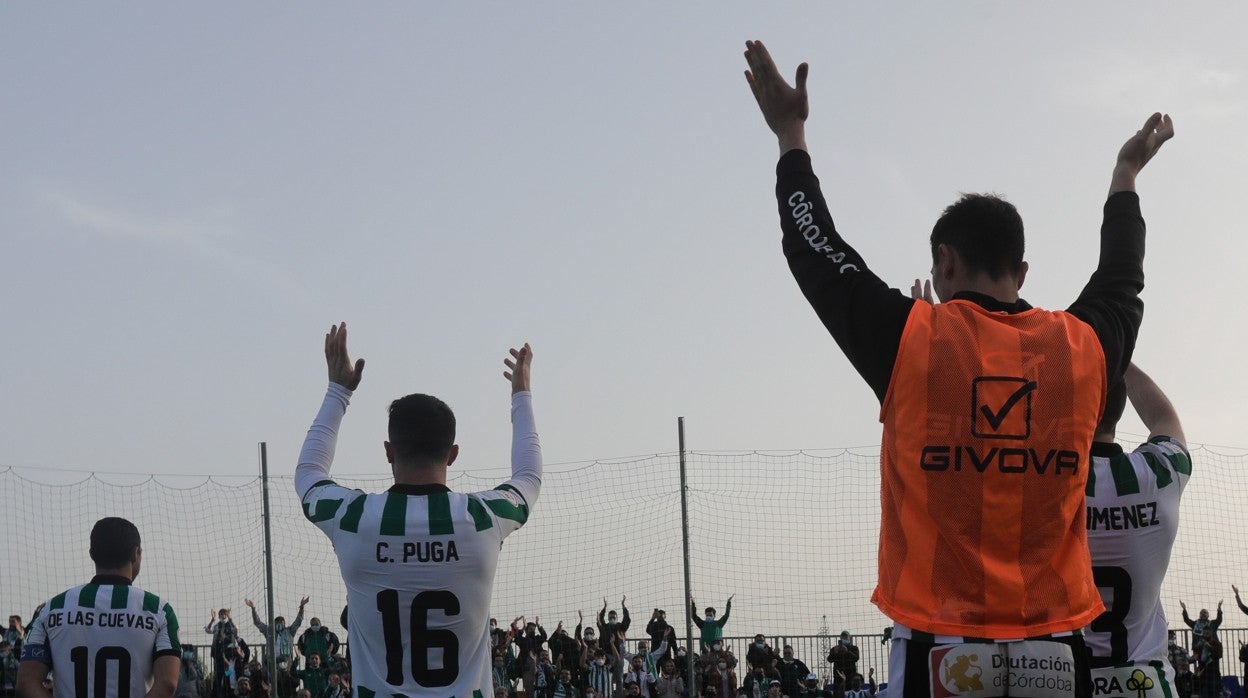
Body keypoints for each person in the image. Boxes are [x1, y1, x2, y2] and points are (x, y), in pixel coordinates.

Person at [743, 38, 1173, 697]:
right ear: (1021, 270)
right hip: (1057, 652)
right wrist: (1125, 178)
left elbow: (815, 250)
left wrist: (790, 135)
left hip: (939, 653)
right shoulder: (1082, 349)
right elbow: (1123, 279)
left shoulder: (912, 342)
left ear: (944, 263)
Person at [294, 324, 541, 698]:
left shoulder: (353, 517)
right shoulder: (483, 518)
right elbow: (528, 475)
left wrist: (338, 390)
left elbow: (309, 473)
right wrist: (521, 392)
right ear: (453, 454)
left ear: (389, 450)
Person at [1085, 364, 1191, 695]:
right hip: (1146, 684)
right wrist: (1119, 354)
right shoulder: (1161, 473)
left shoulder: (1042, 481)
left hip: (1065, 678)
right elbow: (1163, 417)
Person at [16, 517, 181, 698]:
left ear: (92, 553)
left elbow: (26, 683)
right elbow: (167, 684)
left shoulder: (52, 609)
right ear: (136, 553)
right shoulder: (159, 610)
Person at [245, 597, 307, 664]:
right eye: (277, 623)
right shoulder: (269, 631)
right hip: (272, 660)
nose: (279, 625)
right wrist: (253, 609)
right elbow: (257, 622)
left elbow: (298, 621)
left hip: (286, 661)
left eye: (281, 623)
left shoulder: (290, 631)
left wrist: (302, 608)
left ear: (284, 624)